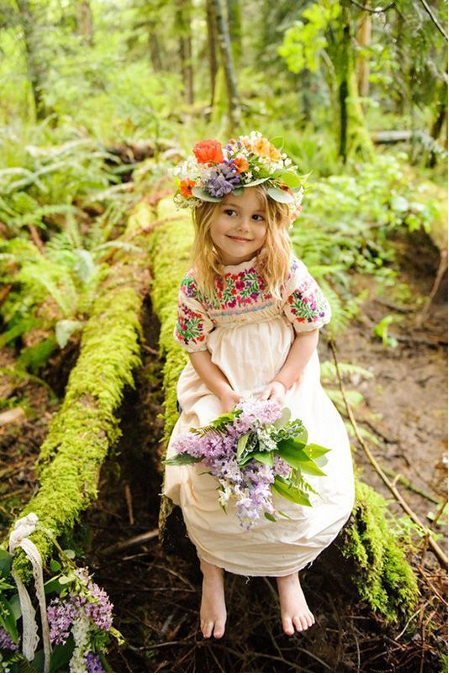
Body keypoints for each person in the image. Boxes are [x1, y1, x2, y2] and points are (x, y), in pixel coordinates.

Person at [162, 132, 355, 641]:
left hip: (278, 383)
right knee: (209, 474)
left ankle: (286, 571)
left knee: (288, 470)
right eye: (230, 212)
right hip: (224, 382)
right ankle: (212, 569)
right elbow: (196, 347)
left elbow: (309, 329)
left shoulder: (283, 270)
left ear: (275, 223)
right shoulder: (196, 282)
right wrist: (222, 393)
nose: (243, 226)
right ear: (206, 216)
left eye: (257, 216)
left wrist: (284, 383)